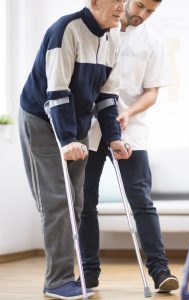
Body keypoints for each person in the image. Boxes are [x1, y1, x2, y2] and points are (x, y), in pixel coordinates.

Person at [18, 0, 131, 299]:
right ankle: (57, 281)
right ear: (94, 2)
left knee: (76, 202)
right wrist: (67, 140)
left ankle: (69, 276)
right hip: (42, 118)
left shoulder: (114, 37)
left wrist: (113, 137)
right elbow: (56, 93)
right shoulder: (65, 31)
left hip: (78, 122)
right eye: (115, 0)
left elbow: (108, 95)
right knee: (57, 200)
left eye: (124, 0)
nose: (122, 6)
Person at [79, 0, 179, 293]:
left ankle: (160, 272)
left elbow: (152, 92)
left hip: (130, 131)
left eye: (150, 12)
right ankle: (88, 274)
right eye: (140, 6)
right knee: (85, 202)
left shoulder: (152, 43)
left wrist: (130, 112)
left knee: (141, 201)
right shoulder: (96, 30)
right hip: (91, 130)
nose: (143, 15)